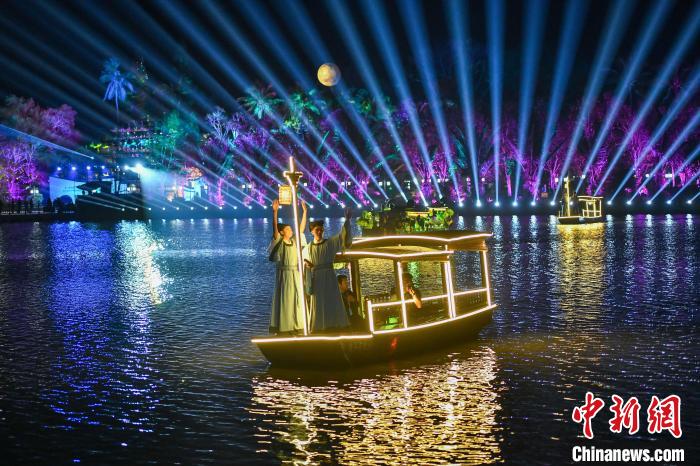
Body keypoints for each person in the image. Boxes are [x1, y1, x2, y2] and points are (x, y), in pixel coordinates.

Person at [304, 208, 353, 333]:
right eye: (317, 230)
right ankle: (319, 326)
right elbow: (303, 262)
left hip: (329, 276)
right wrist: (307, 267)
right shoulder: (308, 248)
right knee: (319, 301)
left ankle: (335, 324)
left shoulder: (329, 243)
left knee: (332, 299)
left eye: (321, 229)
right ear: (312, 232)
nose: (320, 232)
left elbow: (342, 236)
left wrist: (347, 220)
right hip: (317, 278)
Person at [267, 199, 308, 335]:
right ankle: (285, 326)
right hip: (284, 275)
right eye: (288, 229)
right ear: (282, 232)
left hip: (295, 273)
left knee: (297, 299)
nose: (291, 230)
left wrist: (305, 212)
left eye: (291, 229)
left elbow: (301, 230)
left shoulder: (294, 241)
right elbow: (275, 229)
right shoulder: (280, 242)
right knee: (286, 299)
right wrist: (275, 212)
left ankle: (298, 325)